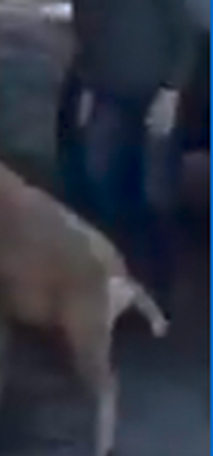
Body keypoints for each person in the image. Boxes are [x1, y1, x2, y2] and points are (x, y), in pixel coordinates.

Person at [64, 0, 200, 315]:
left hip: (156, 95)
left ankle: (167, 280)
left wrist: (170, 93)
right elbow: (86, 42)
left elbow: (185, 38)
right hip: (108, 97)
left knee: (156, 191)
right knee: (99, 180)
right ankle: (121, 276)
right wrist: (85, 88)